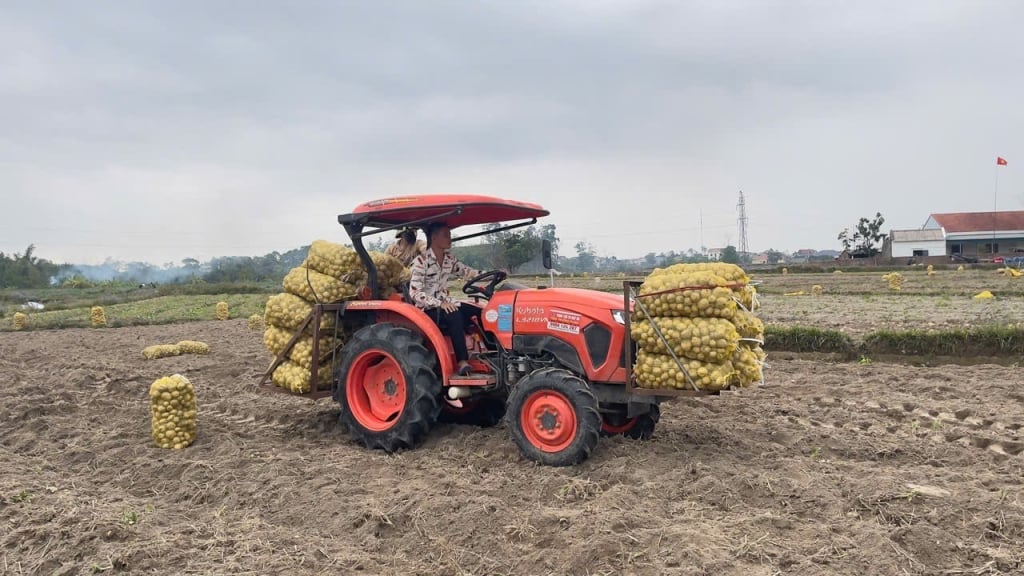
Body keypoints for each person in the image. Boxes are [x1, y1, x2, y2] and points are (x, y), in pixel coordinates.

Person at [409, 222, 483, 376]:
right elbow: (415, 293)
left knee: (480, 311)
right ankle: (462, 361)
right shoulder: (421, 262)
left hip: (444, 303)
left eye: (450, 236)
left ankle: (490, 354)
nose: (450, 239)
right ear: (434, 238)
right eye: (446, 236)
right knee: (454, 314)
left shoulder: (450, 259)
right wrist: (440, 304)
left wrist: (487, 274)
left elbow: (466, 272)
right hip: (426, 309)